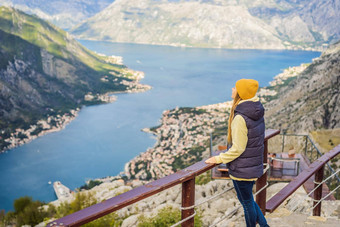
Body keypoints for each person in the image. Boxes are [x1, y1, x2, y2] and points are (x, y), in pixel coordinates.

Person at [205, 79, 269, 227]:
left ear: (241, 93)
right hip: (252, 165)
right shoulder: (256, 110)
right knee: (249, 201)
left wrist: (218, 158)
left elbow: (238, 148)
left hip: (242, 168)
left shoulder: (240, 117)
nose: (232, 89)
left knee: (247, 203)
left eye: (235, 87)